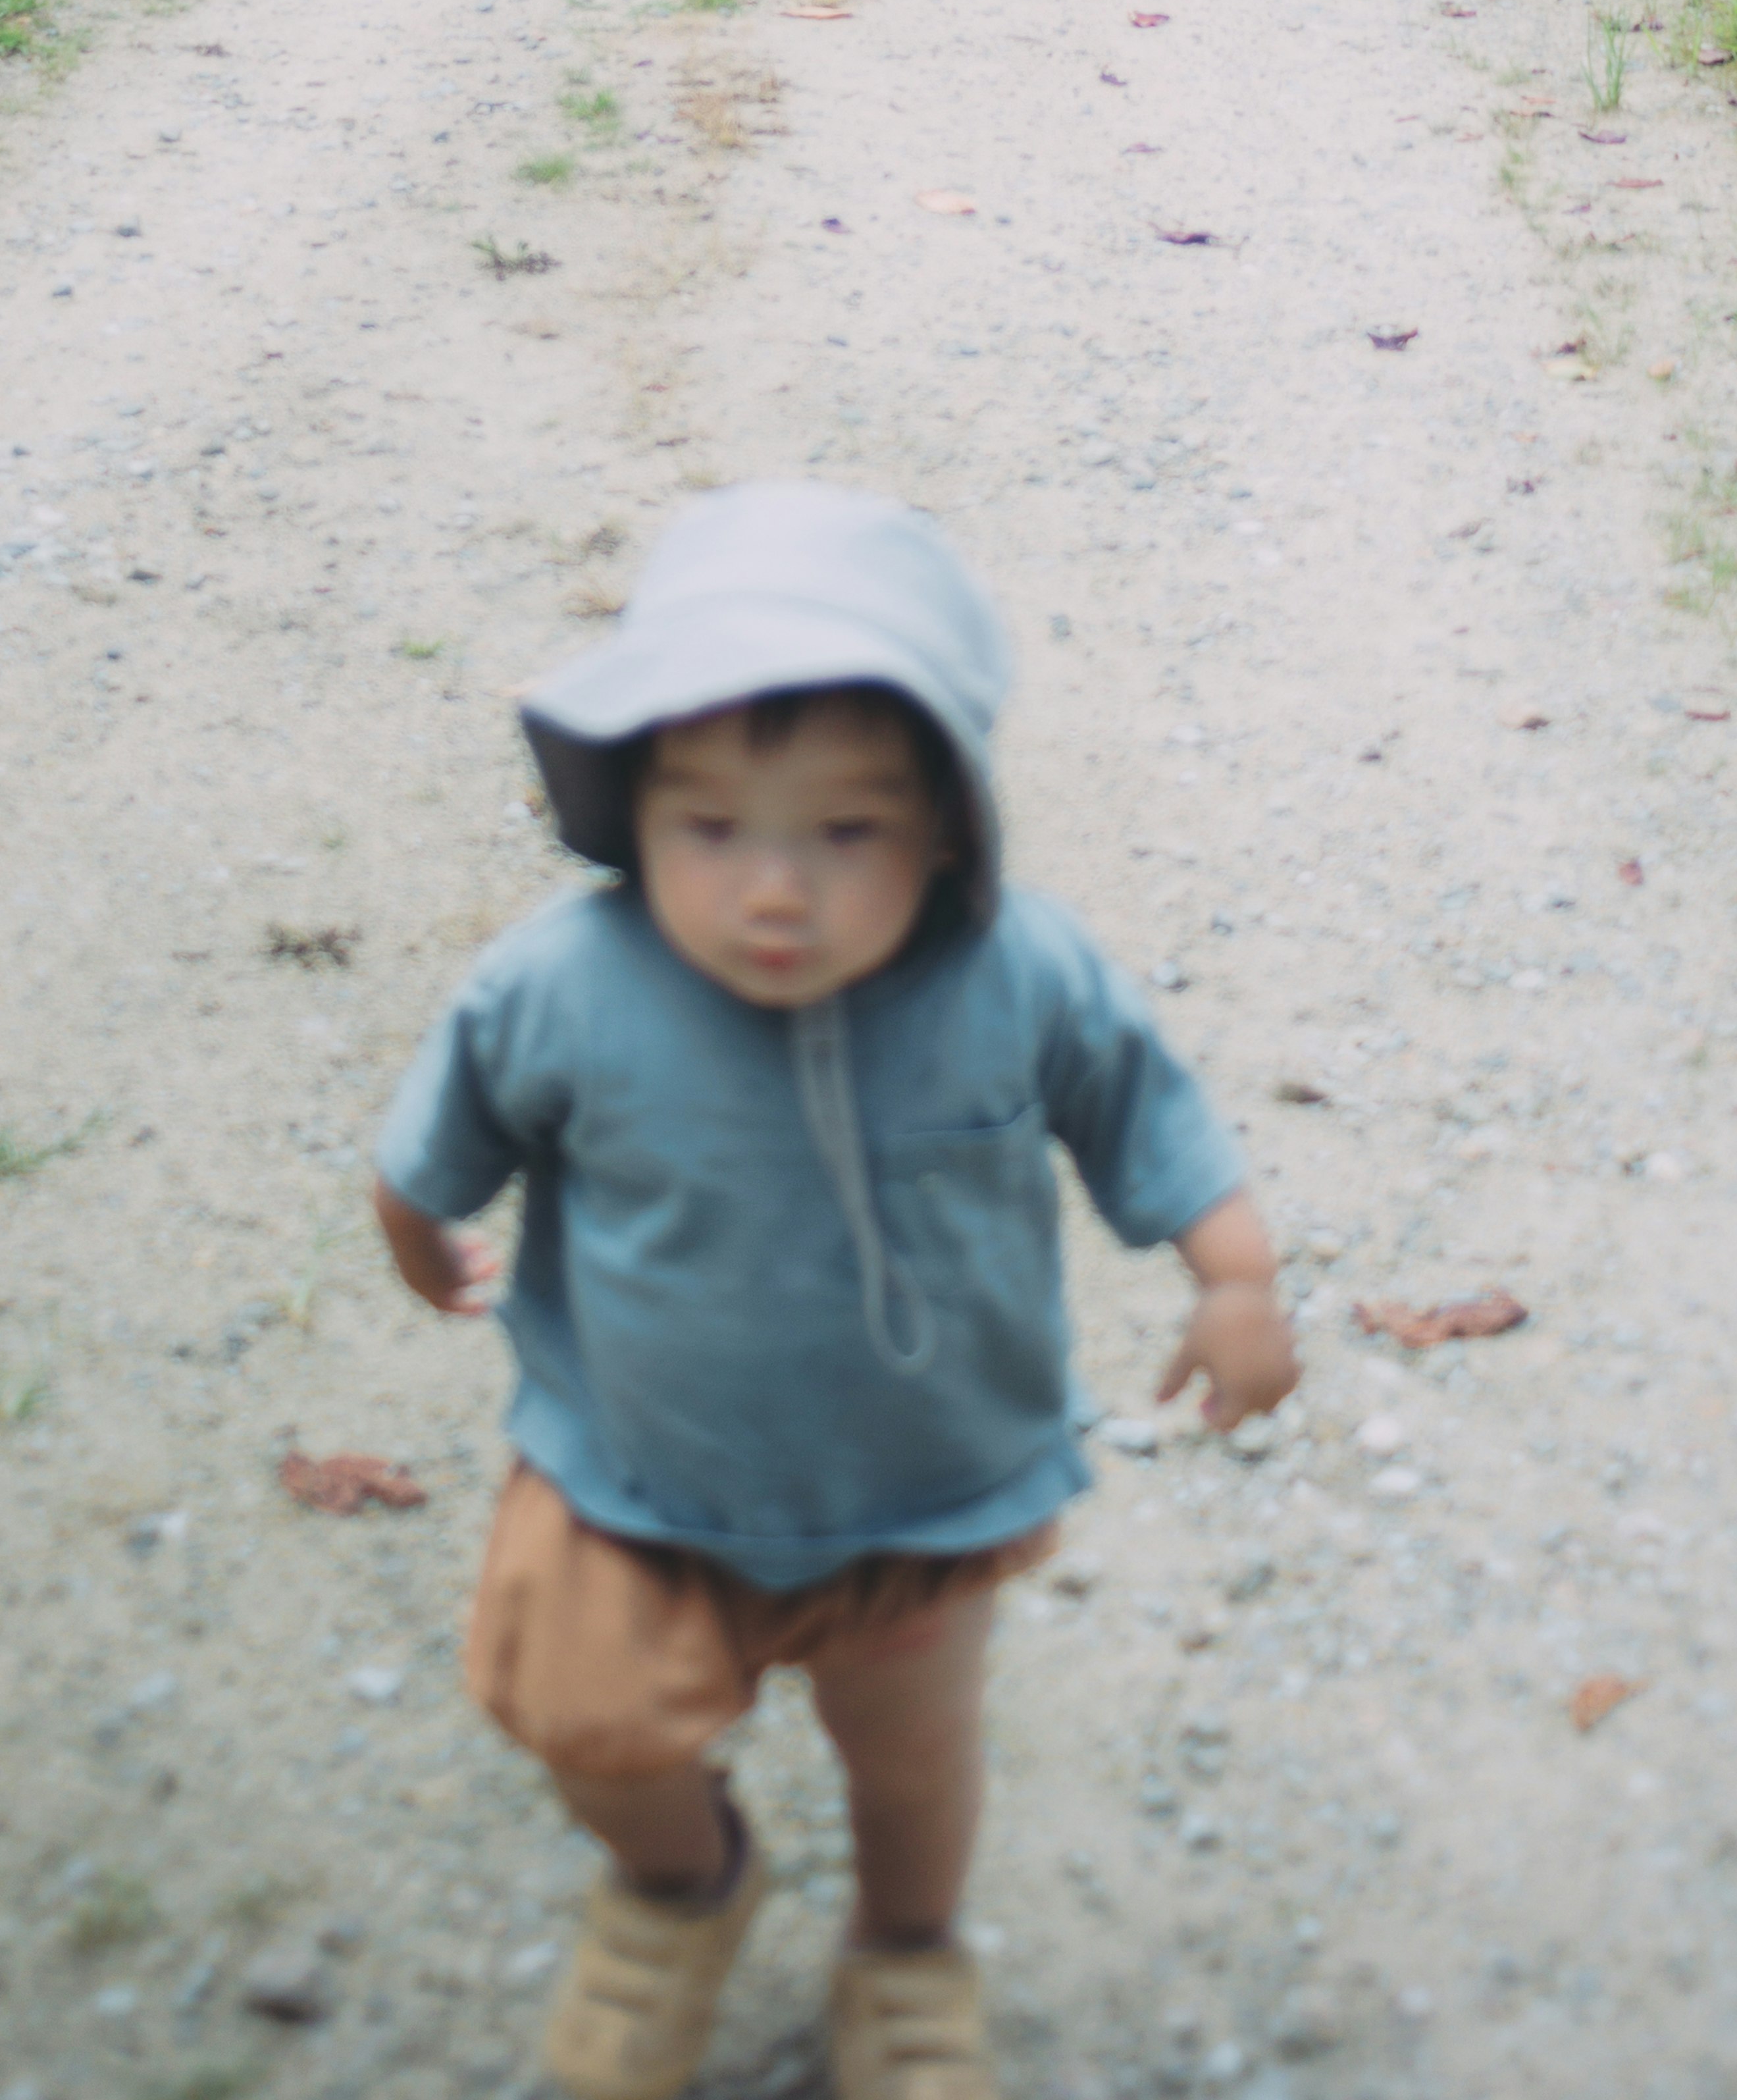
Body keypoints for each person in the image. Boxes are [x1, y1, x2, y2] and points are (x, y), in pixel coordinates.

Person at [374, 483, 1297, 2100]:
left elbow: (1148, 1111)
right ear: (636, 806)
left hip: (921, 1492)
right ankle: (682, 1882)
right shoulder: (564, 985)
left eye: (845, 829)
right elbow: (429, 1152)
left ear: (947, 823)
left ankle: (906, 1949)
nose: (774, 889)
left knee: (914, 1761)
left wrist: (1236, 1274)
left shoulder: (1019, 974)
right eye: (711, 826)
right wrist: (416, 1235)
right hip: (630, 1478)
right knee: (584, 1715)